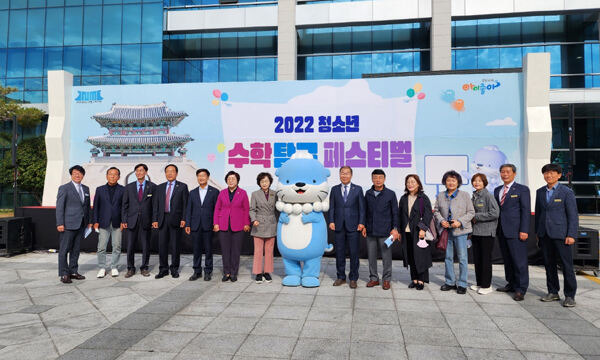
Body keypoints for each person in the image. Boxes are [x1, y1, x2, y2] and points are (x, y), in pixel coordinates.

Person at [535, 163, 578, 307]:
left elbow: (573, 216)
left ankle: (570, 295)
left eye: (552, 173)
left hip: (561, 234)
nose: (549, 175)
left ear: (559, 175)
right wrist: (537, 233)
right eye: (546, 173)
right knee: (549, 264)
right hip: (545, 234)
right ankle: (553, 291)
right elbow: (539, 214)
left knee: (567, 266)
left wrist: (571, 234)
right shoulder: (540, 192)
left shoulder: (566, 192)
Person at [494, 164, 531, 301]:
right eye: (502, 172)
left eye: (508, 172)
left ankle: (521, 289)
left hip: (516, 231)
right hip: (502, 230)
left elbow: (525, 211)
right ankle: (511, 283)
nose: (505, 174)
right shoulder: (497, 190)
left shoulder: (522, 189)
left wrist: (524, 230)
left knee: (519, 261)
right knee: (508, 259)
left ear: (514, 174)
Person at [434, 170, 474, 295]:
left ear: (458, 182)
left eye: (453, 180)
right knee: (448, 258)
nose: (451, 183)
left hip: (460, 231)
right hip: (446, 231)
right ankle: (450, 282)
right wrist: (441, 221)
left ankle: (462, 283)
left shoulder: (465, 195)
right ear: (445, 182)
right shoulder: (440, 195)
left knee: (462, 258)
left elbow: (471, 212)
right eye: (448, 180)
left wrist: (460, 221)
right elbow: (436, 211)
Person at [329, 166, 365, 289]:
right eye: (342, 173)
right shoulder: (334, 189)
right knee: (339, 252)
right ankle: (341, 277)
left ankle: (353, 278)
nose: (344, 175)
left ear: (351, 175)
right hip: (338, 225)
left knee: (354, 253)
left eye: (347, 173)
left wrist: (361, 222)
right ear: (339, 175)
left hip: (354, 226)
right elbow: (332, 207)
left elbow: (362, 208)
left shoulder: (358, 189)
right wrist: (331, 220)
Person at [362, 169, 399, 290]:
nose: (378, 180)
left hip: (385, 232)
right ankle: (374, 278)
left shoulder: (390, 194)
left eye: (380, 177)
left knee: (386, 257)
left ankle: (386, 280)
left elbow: (395, 213)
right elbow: (364, 211)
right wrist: (363, 226)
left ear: (384, 179)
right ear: (372, 179)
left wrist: (395, 229)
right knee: (371, 257)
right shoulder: (368, 193)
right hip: (371, 231)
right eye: (375, 177)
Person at [56, 165, 91, 284]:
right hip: (67, 224)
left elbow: (86, 207)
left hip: (81, 224)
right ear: (71, 174)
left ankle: (73, 271)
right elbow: (60, 207)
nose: (77, 175)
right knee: (64, 250)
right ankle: (64, 274)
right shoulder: (64, 188)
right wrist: (60, 223)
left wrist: (88, 222)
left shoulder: (86, 189)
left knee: (76, 250)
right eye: (75, 173)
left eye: (80, 173)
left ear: (83, 175)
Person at [153, 164, 189, 279]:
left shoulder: (182, 187)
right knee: (162, 246)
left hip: (176, 220)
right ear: (165, 173)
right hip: (162, 219)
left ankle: (174, 269)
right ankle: (163, 269)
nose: (170, 173)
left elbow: (185, 205)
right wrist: (155, 219)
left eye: (172, 171)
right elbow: (156, 205)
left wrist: (184, 219)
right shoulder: (160, 187)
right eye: (167, 171)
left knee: (175, 246)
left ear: (176, 173)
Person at [214, 171, 250, 282]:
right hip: (224, 225)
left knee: (235, 251)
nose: (231, 181)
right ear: (226, 181)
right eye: (229, 179)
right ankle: (227, 272)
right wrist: (216, 223)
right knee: (225, 251)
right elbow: (217, 209)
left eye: (233, 179)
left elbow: (246, 209)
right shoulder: (222, 193)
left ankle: (234, 273)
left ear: (237, 180)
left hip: (238, 225)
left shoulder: (242, 193)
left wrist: (246, 223)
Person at [399, 174, 433, 290]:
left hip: (419, 232)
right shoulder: (403, 198)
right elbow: (400, 216)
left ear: (418, 184)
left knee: (420, 256)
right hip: (407, 232)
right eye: (408, 182)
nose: (410, 184)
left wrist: (423, 229)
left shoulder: (423, 198)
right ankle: (414, 279)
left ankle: (421, 280)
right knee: (411, 256)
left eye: (413, 182)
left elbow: (428, 215)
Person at [122, 164, 155, 278]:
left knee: (146, 245)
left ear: (146, 172)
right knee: (130, 246)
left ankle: (144, 267)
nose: (139, 173)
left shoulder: (152, 187)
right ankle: (130, 268)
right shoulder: (129, 187)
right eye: (137, 171)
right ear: (135, 173)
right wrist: (124, 219)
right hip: (132, 220)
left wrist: (154, 220)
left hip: (146, 220)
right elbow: (125, 205)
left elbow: (154, 206)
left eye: (141, 170)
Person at [185, 168, 219, 281]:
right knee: (196, 250)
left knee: (209, 249)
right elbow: (189, 209)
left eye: (203, 176)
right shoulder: (193, 192)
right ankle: (197, 271)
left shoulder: (214, 192)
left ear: (208, 177)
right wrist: (188, 224)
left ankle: (208, 271)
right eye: (199, 176)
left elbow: (217, 210)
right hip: (195, 225)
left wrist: (216, 223)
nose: (201, 178)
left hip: (208, 224)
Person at [470, 173, 500, 295]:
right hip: (476, 232)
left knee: (485, 259)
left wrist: (476, 216)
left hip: (487, 232)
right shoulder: (474, 195)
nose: (477, 183)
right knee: (477, 259)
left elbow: (495, 213)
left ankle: (487, 285)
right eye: (474, 181)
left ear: (484, 183)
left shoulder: (488, 195)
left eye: (479, 181)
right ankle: (479, 283)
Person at [92, 167, 125, 278]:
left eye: (115, 174)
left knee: (117, 246)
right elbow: (96, 207)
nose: (112, 176)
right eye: (110, 174)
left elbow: (125, 207)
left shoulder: (123, 190)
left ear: (119, 177)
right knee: (101, 247)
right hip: (103, 222)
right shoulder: (100, 189)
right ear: (106, 176)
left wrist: (123, 221)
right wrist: (95, 221)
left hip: (117, 222)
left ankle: (114, 266)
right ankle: (102, 267)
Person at [250, 172, 278, 284]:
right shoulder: (255, 194)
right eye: (262, 181)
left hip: (271, 223)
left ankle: (267, 272)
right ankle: (258, 273)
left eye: (266, 181)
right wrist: (254, 219)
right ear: (259, 183)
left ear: (270, 182)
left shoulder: (275, 194)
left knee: (269, 250)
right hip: (259, 224)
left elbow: (278, 208)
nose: (264, 183)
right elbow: (252, 209)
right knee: (258, 251)